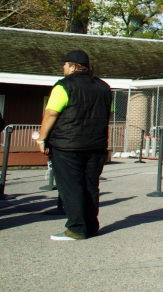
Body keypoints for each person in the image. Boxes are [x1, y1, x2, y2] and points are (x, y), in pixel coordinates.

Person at [37, 50, 112, 241]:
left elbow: (52, 113)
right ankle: (91, 225)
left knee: (71, 187)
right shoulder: (104, 87)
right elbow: (107, 114)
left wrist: (41, 138)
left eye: (64, 65)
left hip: (67, 145)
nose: (63, 68)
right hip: (96, 145)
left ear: (72, 66)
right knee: (90, 186)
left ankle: (76, 228)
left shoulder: (64, 86)